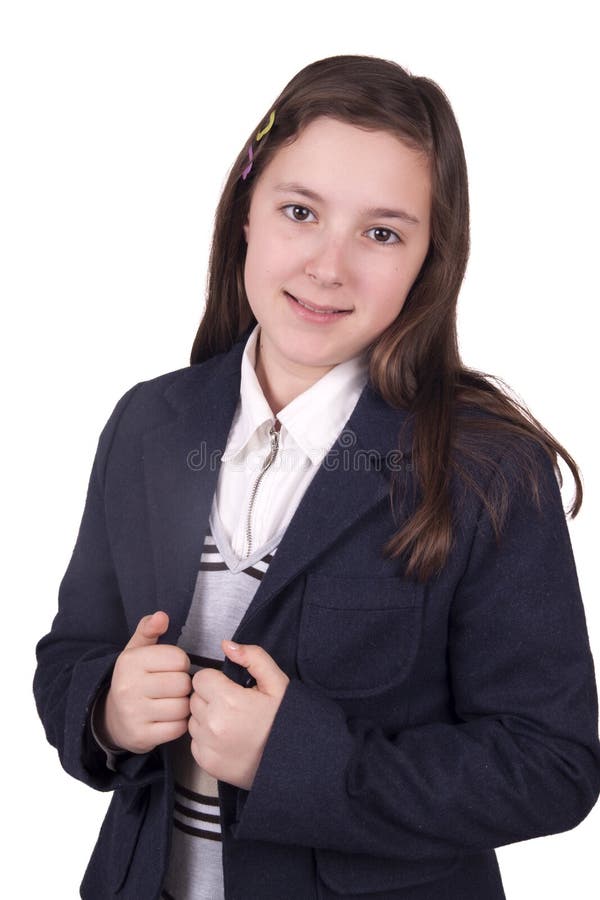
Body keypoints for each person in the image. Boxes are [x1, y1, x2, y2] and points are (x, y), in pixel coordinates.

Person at [33, 54, 600, 900]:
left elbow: (552, 763)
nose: (328, 267)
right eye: (300, 212)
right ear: (246, 217)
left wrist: (296, 759)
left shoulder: (488, 467)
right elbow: (70, 653)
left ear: (428, 260)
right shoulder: (149, 424)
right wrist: (105, 710)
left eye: (381, 232)